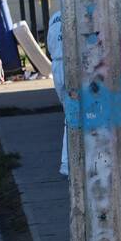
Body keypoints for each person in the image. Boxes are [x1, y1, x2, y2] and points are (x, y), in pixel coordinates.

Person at [46, 10, 68, 177]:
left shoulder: (54, 17)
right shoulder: (76, 10)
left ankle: (67, 162)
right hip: (71, 63)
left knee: (69, 113)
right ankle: (67, 162)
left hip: (56, 65)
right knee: (72, 116)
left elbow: (49, 45)